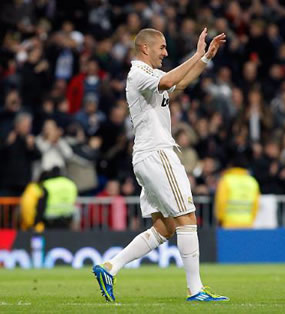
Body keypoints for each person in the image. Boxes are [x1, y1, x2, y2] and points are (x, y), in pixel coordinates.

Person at [92, 27, 227, 302]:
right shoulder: (139, 73)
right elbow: (167, 83)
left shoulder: (150, 76)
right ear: (145, 48)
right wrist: (196, 53)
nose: (165, 53)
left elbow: (179, 86)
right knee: (187, 217)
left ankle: (110, 267)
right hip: (157, 153)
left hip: (147, 156)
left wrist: (205, 59)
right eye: (162, 47)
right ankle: (196, 290)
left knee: (165, 228)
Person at [214, 158, 260, 228]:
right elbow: (256, 204)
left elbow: (221, 202)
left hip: (228, 223)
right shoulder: (252, 181)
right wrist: (252, 219)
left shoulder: (226, 180)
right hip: (248, 223)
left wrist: (220, 218)